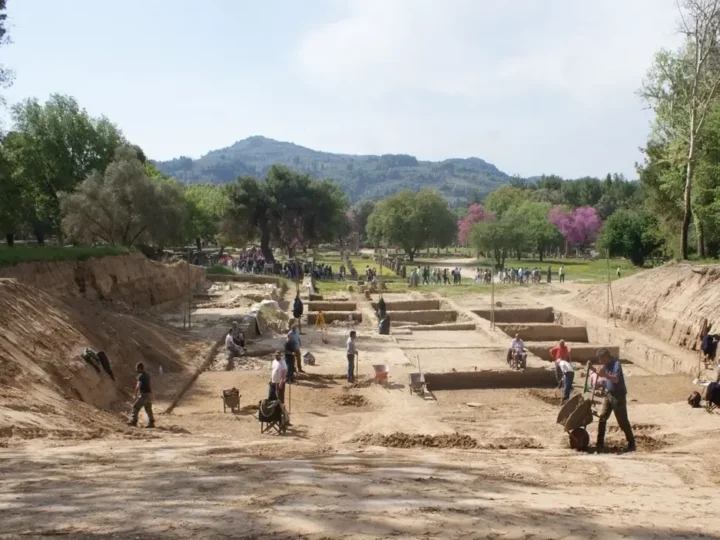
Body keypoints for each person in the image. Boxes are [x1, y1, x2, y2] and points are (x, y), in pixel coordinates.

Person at [593, 348, 636, 452]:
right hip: (609, 395)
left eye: (601, 359)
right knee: (602, 417)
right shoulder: (606, 365)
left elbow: (615, 379)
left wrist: (605, 375)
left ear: (606, 357)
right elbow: (608, 380)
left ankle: (631, 443)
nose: (600, 362)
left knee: (622, 421)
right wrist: (601, 384)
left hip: (618, 396)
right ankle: (599, 443)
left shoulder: (616, 364)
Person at [128, 362, 154, 428]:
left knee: (135, 407)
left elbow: (138, 386)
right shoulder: (147, 375)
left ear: (140, 368)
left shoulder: (141, 376)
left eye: (137, 368)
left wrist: (135, 395)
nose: (136, 370)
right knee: (148, 409)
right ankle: (151, 423)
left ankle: (133, 421)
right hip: (149, 394)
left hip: (144, 394)